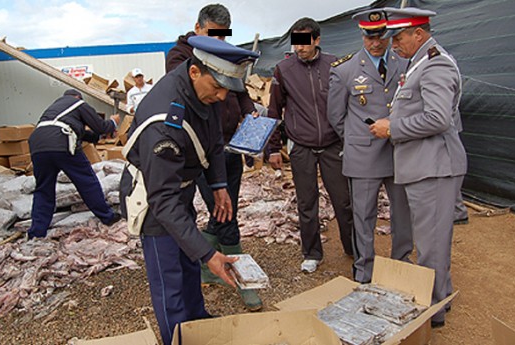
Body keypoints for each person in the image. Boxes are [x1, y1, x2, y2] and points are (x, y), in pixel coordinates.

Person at [123, 36, 259, 345]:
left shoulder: (202, 91)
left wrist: (219, 185)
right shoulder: (164, 124)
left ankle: (198, 323)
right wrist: (209, 254)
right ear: (195, 72)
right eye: (218, 87)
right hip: (155, 200)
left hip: (178, 186)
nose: (223, 96)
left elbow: (212, 141)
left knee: (187, 265)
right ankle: (179, 337)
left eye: (228, 88)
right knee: (170, 278)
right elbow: (163, 200)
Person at [370, 7, 467, 328]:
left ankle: (433, 313)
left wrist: (392, 128)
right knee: (432, 242)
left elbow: (439, 118)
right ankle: (442, 295)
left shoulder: (435, 65)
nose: (393, 44)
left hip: (434, 167)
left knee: (430, 246)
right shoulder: (420, 63)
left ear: (419, 34)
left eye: (398, 37)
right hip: (426, 165)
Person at [166, 3, 262, 311]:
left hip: (232, 145)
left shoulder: (227, 53)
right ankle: (242, 275)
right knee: (225, 213)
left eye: (223, 37)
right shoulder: (181, 56)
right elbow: (194, 97)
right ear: (197, 29)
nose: (219, 43)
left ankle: (208, 264)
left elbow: (240, 90)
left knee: (225, 207)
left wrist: (251, 114)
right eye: (213, 35)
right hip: (203, 149)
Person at [327, 9, 413, 284]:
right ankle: (364, 270)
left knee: (402, 213)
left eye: (381, 36)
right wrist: (357, 138)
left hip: (399, 151)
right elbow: (336, 116)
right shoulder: (345, 70)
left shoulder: (405, 64)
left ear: (388, 34)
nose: (375, 43)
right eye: (369, 36)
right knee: (364, 216)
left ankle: (402, 264)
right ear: (361, 35)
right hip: (363, 155)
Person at [267, 17, 354, 273]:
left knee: (343, 200)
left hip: (332, 144)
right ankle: (312, 253)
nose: (299, 48)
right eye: (296, 42)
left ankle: (353, 247)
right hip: (301, 145)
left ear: (317, 40)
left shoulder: (335, 65)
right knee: (306, 202)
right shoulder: (283, 70)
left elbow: (349, 103)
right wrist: (273, 147)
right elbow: (275, 110)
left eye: (305, 42)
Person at [27, 89, 120, 239]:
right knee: (86, 181)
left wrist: (101, 136)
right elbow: (101, 126)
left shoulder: (54, 109)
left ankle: (36, 232)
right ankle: (107, 217)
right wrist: (113, 122)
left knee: (43, 189)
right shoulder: (78, 103)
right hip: (62, 142)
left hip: (38, 145)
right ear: (78, 97)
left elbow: (84, 133)